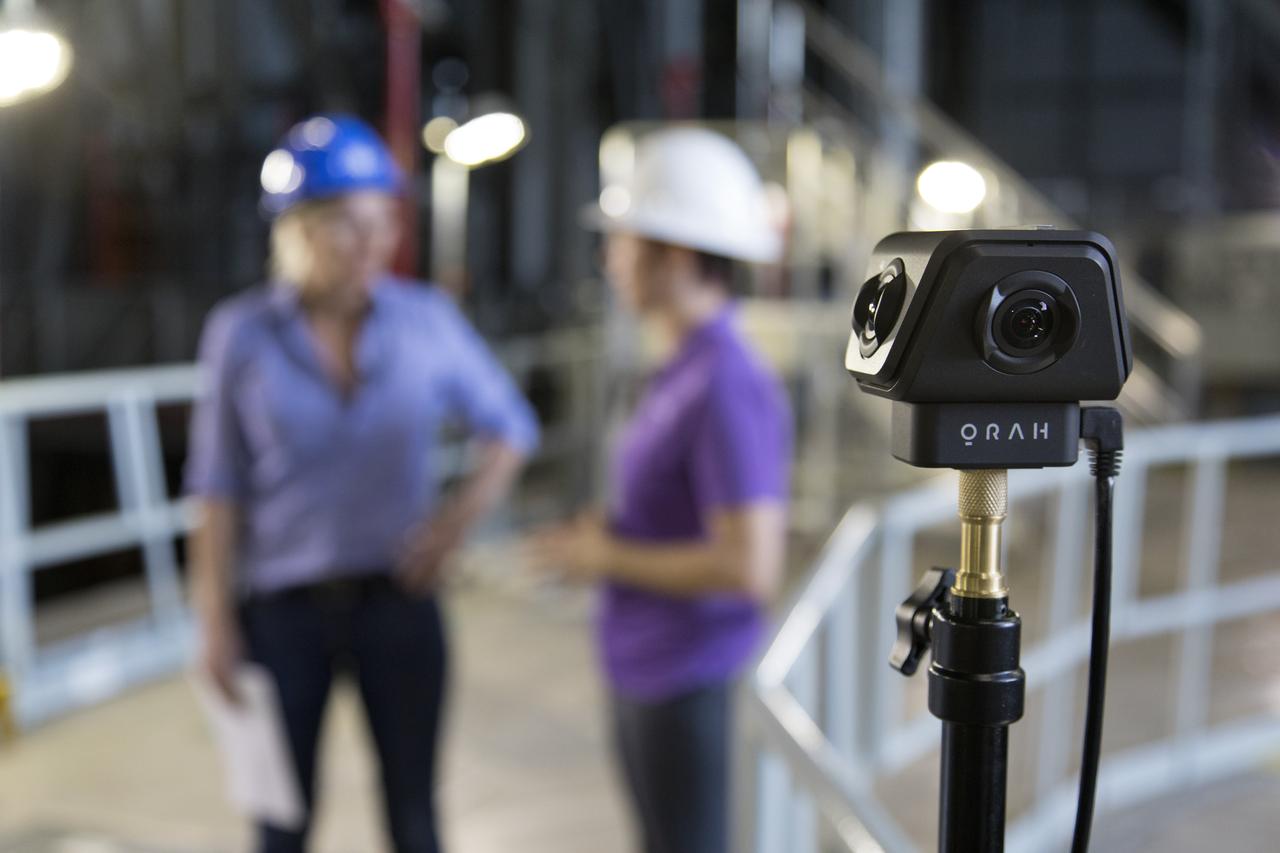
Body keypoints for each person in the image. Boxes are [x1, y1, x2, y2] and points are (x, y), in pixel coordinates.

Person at [186, 114, 538, 853]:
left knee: (414, 815)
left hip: (399, 602)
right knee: (280, 821)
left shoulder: (425, 320)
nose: (373, 242)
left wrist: (453, 525)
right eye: (347, 224)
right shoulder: (241, 335)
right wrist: (213, 619)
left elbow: (510, 427)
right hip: (282, 615)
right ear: (297, 229)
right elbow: (217, 485)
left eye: (382, 222)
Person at [527, 127, 790, 853]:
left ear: (673, 252)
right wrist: (604, 535)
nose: (610, 259)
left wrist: (604, 556)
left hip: (685, 676)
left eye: (621, 239)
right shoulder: (681, 367)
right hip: (645, 663)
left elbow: (748, 567)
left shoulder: (727, 382)